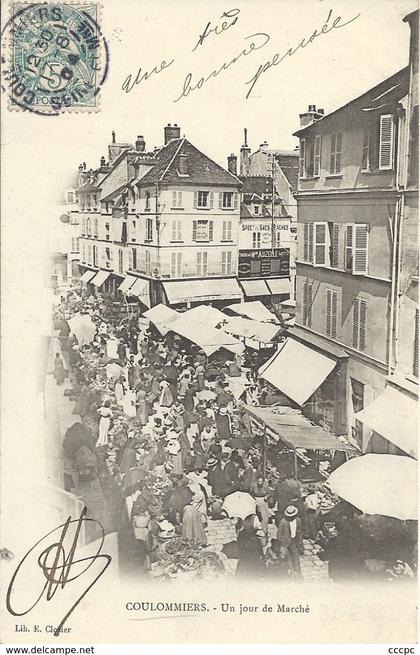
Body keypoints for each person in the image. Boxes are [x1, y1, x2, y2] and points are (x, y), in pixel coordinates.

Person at [277, 505, 304, 577]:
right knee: (287, 559)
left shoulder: (298, 520)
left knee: (296, 558)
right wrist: (281, 545)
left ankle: (298, 573)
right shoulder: (283, 521)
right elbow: (279, 534)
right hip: (285, 543)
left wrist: (301, 544)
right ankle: (290, 573)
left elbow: (300, 532)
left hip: (294, 541)